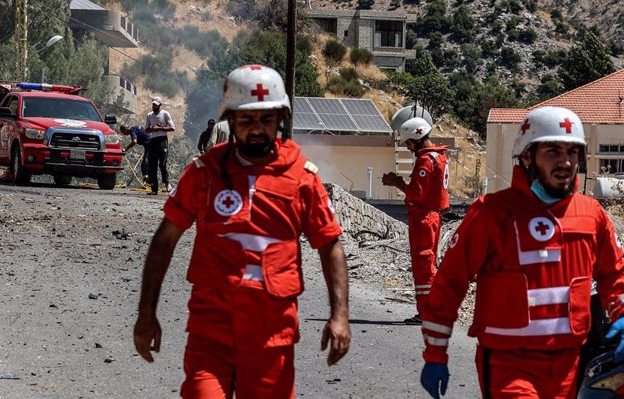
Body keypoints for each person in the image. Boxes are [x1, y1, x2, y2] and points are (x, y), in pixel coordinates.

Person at [133, 64, 351, 398]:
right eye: (247, 120)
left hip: (272, 338)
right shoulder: (204, 174)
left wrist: (340, 316)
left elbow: (329, 246)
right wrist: (146, 315)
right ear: (230, 121)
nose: (257, 129)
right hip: (210, 334)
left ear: (281, 119)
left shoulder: (303, 178)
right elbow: (164, 241)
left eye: (266, 119)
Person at [419, 106, 624, 399]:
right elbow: (449, 284)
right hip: (508, 365)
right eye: (552, 152)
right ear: (527, 157)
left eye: (573, 153)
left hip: (568, 365)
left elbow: (615, 271)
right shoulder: (491, 214)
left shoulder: (592, 214)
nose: (565, 162)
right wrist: (436, 352)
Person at [381, 116, 449, 325]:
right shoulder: (439, 156)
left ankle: (427, 312)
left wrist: (398, 183)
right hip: (432, 216)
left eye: (409, 142)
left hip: (424, 217)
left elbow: (416, 193)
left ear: (417, 138)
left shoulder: (425, 161)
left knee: (423, 265)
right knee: (428, 263)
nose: (408, 147)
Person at [145, 97, 175, 195]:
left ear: (160, 105)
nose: (154, 106)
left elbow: (172, 128)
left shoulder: (165, 114)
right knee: (152, 166)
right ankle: (154, 189)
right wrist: (153, 129)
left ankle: (166, 182)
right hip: (153, 141)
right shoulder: (149, 115)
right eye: (153, 104)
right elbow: (146, 130)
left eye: (156, 105)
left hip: (162, 141)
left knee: (162, 164)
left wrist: (160, 128)